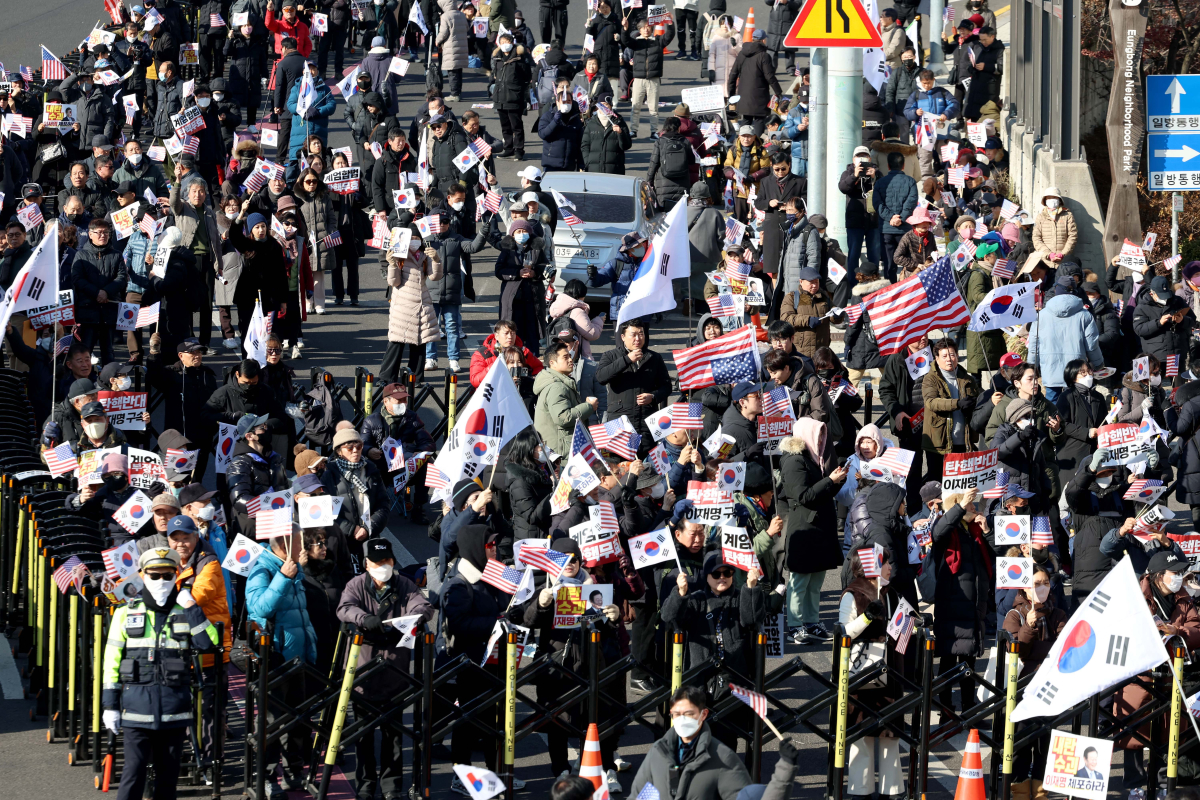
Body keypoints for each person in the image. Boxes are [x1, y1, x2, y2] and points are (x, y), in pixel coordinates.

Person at [101, 547, 219, 800]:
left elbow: (208, 644)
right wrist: (110, 705)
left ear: (176, 575)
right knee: (133, 775)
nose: (161, 582)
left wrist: (192, 607)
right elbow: (111, 662)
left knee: (168, 778)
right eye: (154, 576)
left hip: (174, 709)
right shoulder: (125, 613)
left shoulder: (185, 611)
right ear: (143, 575)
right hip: (136, 710)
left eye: (168, 576)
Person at [336, 538, 433, 800]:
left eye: (388, 561)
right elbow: (344, 608)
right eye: (378, 562)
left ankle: (392, 787)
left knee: (394, 736)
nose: (384, 566)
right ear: (367, 564)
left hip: (395, 671)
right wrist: (364, 618)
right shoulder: (356, 585)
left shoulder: (403, 584)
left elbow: (422, 605)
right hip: (363, 672)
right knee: (363, 735)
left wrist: (415, 616)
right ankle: (366, 786)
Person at [1115, 551, 1200, 793]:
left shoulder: (1182, 595)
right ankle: (1134, 787)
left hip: (1172, 673)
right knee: (1133, 731)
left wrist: (1178, 631)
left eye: (1181, 573)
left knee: (1169, 732)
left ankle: (1163, 785)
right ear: (1159, 576)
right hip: (1138, 675)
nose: (1179, 578)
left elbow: (1197, 627)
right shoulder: (1135, 596)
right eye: (1175, 573)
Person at [246, 526, 317, 799]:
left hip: (297, 656)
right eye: (299, 542)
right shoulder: (263, 569)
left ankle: (293, 771)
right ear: (284, 545)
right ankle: (266, 775)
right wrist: (282, 578)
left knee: (298, 718)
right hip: (274, 658)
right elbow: (260, 608)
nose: (303, 548)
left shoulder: (293, 566)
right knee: (272, 722)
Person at [630, 684, 798, 800]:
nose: (682, 720)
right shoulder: (658, 752)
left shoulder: (722, 758)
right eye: (676, 714)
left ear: (703, 715)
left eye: (689, 714)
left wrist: (785, 769)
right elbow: (638, 795)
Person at [166, 516, 231, 777]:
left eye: (186, 537)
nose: (181, 543)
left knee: (211, 714)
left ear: (196, 537)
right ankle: (184, 762)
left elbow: (195, 597)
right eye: (176, 538)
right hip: (179, 648)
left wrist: (158, 590)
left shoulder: (210, 563)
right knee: (180, 709)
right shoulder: (166, 562)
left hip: (209, 650)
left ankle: (212, 766)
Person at [840, 546, 907, 799]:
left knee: (891, 737)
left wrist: (913, 625)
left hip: (891, 674)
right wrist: (867, 617)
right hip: (862, 674)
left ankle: (892, 791)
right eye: (886, 563)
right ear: (870, 568)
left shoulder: (891, 594)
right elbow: (843, 633)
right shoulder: (852, 594)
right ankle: (861, 791)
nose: (890, 567)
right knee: (862, 736)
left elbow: (902, 631)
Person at [779, 417, 848, 644]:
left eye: (822, 435)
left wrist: (836, 481)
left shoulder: (811, 457)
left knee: (816, 580)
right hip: (805, 528)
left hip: (819, 527)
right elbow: (803, 496)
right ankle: (795, 625)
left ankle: (811, 621)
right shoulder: (793, 460)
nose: (820, 439)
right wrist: (829, 479)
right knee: (799, 581)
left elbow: (821, 493)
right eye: (817, 434)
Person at [1001, 562, 1067, 797]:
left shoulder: (1058, 613)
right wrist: (1028, 626)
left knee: (1045, 742)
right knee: (1021, 742)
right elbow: (1016, 649)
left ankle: (1040, 791)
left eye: (1046, 584)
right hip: (1022, 688)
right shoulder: (1014, 614)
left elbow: (1063, 648)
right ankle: (1018, 790)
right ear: (1025, 589)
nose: (1042, 588)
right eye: (1036, 584)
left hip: (1050, 687)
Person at [930, 487, 994, 713]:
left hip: (973, 605)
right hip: (952, 605)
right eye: (970, 504)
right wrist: (959, 505)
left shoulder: (974, 531)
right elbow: (938, 531)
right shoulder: (948, 530)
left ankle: (969, 708)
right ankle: (944, 707)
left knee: (969, 661)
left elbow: (994, 558)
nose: (974, 508)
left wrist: (987, 533)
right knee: (948, 660)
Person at [1027, 280, 1103, 404]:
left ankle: (1053, 423)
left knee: (1052, 403)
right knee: (1077, 403)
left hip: (1050, 367)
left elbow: (1034, 345)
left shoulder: (1041, 315)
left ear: (1056, 291)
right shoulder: (1085, 315)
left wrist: (1032, 365)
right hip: (1076, 369)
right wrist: (1098, 363)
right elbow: (1092, 344)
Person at [380, 235, 442, 387]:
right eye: (412, 238)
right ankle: (386, 378)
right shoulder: (399, 253)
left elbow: (435, 277)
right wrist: (392, 263)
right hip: (403, 303)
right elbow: (394, 282)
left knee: (420, 343)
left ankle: (416, 378)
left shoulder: (425, 254)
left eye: (417, 238)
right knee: (396, 342)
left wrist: (436, 260)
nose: (414, 241)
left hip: (422, 304)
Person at [596, 320, 671, 446]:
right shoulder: (610, 356)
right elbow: (601, 377)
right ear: (623, 337)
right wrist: (627, 360)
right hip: (620, 421)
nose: (638, 338)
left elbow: (666, 387)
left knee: (646, 462)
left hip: (646, 422)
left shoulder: (654, 358)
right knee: (621, 462)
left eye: (641, 334)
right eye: (633, 334)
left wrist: (653, 397)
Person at [922, 338, 979, 479]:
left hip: (964, 441)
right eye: (944, 356)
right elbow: (932, 402)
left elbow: (979, 400)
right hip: (939, 443)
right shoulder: (930, 378)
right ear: (936, 358)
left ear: (958, 356)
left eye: (952, 355)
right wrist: (958, 404)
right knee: (938, 485)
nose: (949, 359)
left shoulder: (968, 379)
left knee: (962, 485)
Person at [534, 340, 600, 457]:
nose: (570, 359)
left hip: (559, 448)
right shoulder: (556, 386)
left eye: (570, 356)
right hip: (562, 452)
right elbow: (563, 417)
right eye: (565, 357)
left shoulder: (557, 382)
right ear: (552, 363)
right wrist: (588, 406)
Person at [622, 17, 675, 139]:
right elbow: (625, 40)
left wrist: (670, 23)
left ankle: (654, 132)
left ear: (651, 28)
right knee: (635, 106)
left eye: (648, 27)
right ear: (639, 30)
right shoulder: (636, 42)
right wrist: (625, 28)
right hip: (638, 80)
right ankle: (633, 131)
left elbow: (670, 35)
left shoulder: (658, 41)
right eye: (643, 27)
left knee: (653, 108)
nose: (646, 29)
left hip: (653, 79)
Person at [872, 151, 917, 281]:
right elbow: (911, 201)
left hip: (886, 229)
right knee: (908, 262)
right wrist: (901, 217)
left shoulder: (880, 183)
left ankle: (890, 290)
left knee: (888, 263)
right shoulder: (910, 181)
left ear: (888, 166)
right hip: (905, 229)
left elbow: (877, 203)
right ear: (903, 166)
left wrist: (890, 217)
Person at [726, 29, 781, 127]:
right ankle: (757, 141)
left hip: (743, 95)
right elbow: (770, 76)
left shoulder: (742, 54)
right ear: (763, 40)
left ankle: (743, 141)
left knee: (746, 119)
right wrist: (778, 92)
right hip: (759, 96)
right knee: (759, 121)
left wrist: (731, 93)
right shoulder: (764, 56)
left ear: (752, 39)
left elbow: (733, 74)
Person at [839, 146, 881, 274]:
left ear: (869, 158)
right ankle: (853, 285)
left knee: (874, 255)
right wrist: (855, 175)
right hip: (854, 221)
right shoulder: (848, 172)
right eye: (859, 156)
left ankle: (874, 284)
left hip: (873, 220)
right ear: (853, 159)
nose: (862, 159)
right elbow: (843, 188)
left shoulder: (876, 171)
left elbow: (884, 189)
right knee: (853, 255)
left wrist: (874, 177)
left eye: (865, 156)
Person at [491, 32, 532, 161]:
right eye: (502, 43)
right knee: (505, 126)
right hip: (500, 97)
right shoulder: (497, 58)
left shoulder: (520, 58)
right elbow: (494, 77)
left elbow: (527, 76)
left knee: (517, 126)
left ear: (512, 43)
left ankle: (519, 150)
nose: (505, 45)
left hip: (514, 97)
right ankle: (508, 148)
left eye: (507, 42)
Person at [647, 116, 695, 210]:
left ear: (665, 128)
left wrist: (649, 181)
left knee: (664, 216)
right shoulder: (685, 141)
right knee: (681, 214)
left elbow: (654, 163)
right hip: (682, 184)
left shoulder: (660, 142)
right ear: (678, 128)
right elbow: (692, 161)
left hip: (664, 185)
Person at [1030, 187, 1077, 264]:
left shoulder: (1067, 215)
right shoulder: (1041, 217)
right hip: (1045, 262)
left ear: (1059, 200)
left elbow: (1073, 236)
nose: (1052, 199)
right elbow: (1036, 238)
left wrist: (1063, 254)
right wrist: (1049, 254)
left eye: (1054, 197)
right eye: (1049, 198)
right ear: (1045, 200)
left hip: (1064, 262)